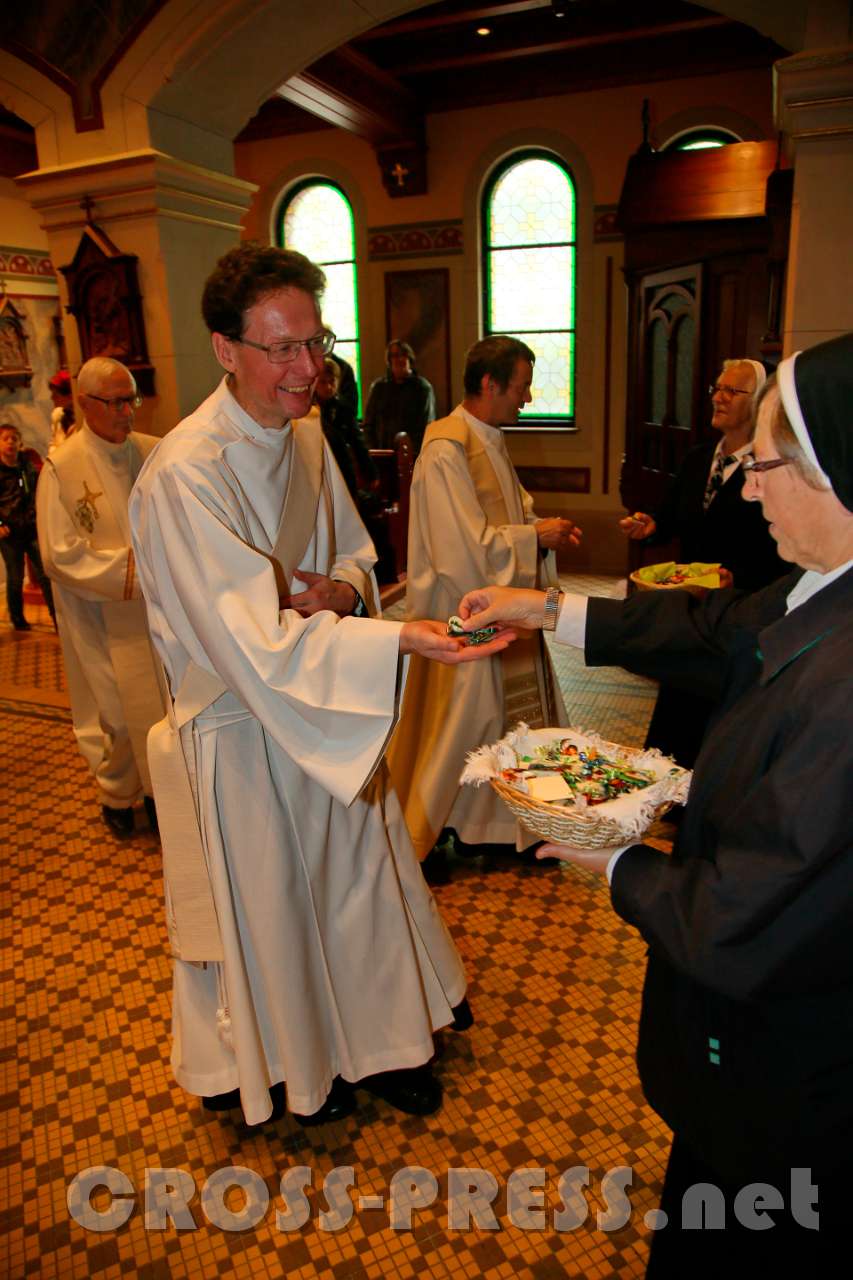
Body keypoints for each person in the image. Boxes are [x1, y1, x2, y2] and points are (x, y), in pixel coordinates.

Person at [458, 332, 853, 1269]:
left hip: (794, 1068)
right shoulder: (822, 585)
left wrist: (618, 858)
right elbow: (714, 627)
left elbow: (750, 913)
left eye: (766, 466)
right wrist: (548, 610)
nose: (749, 487)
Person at [128, 243, 514, 1129]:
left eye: (317, 343)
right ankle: (306, 1064)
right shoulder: (188, 474)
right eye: (282, 349)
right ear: (226, 349)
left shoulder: (303, 438)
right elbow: (248, 643)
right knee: (278, 909)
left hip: (328, 702)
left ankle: (387, 1044)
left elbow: (349, 556)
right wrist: (398, 638)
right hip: (244, 730)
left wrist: (348, 595)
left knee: (359, 882)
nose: (308, 371)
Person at [387, 335, 582, 877]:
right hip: (462, 614)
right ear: (490, 384)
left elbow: (509, 520)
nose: (527, 398)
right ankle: (421, 834)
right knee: (460, 727)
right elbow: (461, 552)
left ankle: (491, 829)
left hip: (497, 609)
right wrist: (533, 537)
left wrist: (541, 536)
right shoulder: (448, 449)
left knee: (499, 722)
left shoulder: (488, 438)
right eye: (520, 387)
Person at [620, 358, 786, 766]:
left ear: (761, 401)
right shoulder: (698, 457)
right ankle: (671, 793)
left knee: (722, 717)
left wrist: (738, 577)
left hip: (741, 611)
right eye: (717, 388)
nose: (719, 397)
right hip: (691, 608)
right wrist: (651, 525)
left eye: (733, 390)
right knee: (679, 706)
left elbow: (781, 548)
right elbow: (674, 514)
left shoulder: (770, 465)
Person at [36, 357, 165, 837]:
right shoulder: (61, 468)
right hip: (99, 615)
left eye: (131, 398)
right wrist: (130, 569)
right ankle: (116, 791)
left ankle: (157, 793)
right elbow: (58, 555)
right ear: (85, 404)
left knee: (161, 708)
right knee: (116, 712)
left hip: (155, 610)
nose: (127, 412)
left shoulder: (151, 453)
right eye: (115, 402)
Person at [0, 424, 55, 632]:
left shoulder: (26, 465)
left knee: (45, 573)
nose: (11, 443)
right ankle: (18, 620)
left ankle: (56, 616)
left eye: (14, 438)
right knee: (15, 577)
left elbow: (37, 489)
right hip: (9, 533)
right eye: (6, 439)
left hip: (31, 528)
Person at [311, 355, 378, 507]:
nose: (328, 387)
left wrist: (370, 472)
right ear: (315, 383)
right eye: (323, 382)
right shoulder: (308, 409)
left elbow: (357, 441)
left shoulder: (343, 408)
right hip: (317, 470)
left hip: (342, 469)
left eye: (332, 382)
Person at [362, 339, 436, 455]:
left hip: (413, 456)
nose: (399, 359)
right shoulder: (379, 388)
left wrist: (414, 453)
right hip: (382, 455)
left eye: (403, 355)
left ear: (409, 359)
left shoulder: (422, 388)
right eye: (394, 356)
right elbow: (368, 424)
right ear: (389, 361)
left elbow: (427, 426)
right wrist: (372, 451)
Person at [48, 369, 75, 451]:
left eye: (56, 395)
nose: (52, 398)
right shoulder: (58, 415)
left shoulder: (84, 417)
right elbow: (55, 442)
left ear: (70, 396)